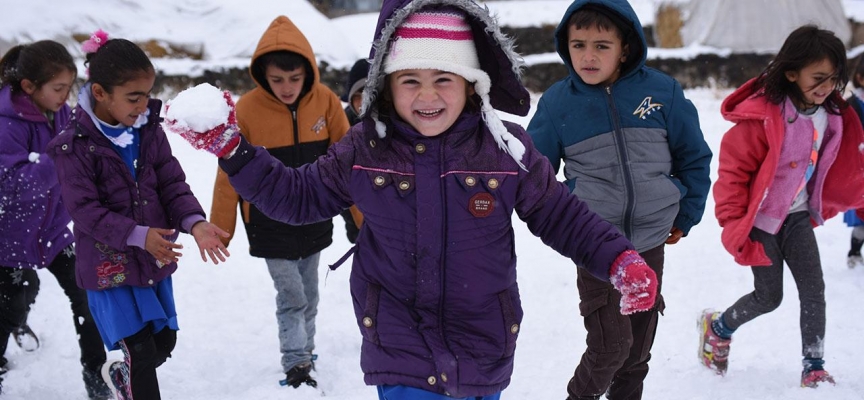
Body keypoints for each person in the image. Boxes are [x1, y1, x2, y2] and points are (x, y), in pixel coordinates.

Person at [167, 1, 659, 398]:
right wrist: (234, 150)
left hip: (483, 338)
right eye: (410, 80)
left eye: (443, 78)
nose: (428, 95)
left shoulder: (504, 148)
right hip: (396, 339)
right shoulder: (364, 148)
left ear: (471, 86)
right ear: (386, 85)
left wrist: (617, 257)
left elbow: (561, 215)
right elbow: (298, 197)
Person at [526, 1, 712, 398]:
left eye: (601, 45)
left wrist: (686, 211)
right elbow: (535, 175)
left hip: (650, 242)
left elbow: (694, 157)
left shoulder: (662, 92)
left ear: (624, 47)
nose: (588, 56)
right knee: (611, 347)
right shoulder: (558, 103)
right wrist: (570, 216)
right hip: (595, 246)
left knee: (637, 353)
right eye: (578, 45)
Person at [45, 31, 230, 400]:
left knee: (164, 341)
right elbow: (84, 211)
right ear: (100, 93)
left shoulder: (148, 131)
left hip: (151, 260)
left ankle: (122, 375)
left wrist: (195, 223)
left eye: (147, 94)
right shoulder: (74, 145)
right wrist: (137, 234)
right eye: (134, 97)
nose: (144, 105)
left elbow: (172, 183)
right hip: (108, 266)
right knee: (141, 353)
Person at [699, 25, 864, 388]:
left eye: (833, 79)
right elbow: (733, 170)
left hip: (797, 216)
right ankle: (719, 326)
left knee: (814, 290)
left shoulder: (832, 116)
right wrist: (731, 221)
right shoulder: (764, 117)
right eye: (818, 78)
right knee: (769, 296)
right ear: (792, 72)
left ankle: (813, 365)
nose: (825, 87)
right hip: (761, 222)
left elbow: (845, 162)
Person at [208, 15, 361, 389]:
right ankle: (296, 363)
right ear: (263, 75)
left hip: (314, 219)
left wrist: (359, 220)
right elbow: (228, 173)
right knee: (291, 294)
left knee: (309, 292)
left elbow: (348, 163)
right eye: (277, 80)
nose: (287, 87)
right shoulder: (246, 109)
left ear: (308, 72)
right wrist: (220, 229)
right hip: (267, 221)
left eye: (294, 79)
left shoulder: (325, 101)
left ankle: (305, 350)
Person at [0, 40, 112, 399]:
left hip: (53, 232)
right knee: (15, 297)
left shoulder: (62, 112)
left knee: (88, 297)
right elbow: (13, 187)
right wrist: (59, 158)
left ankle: (98, 384)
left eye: (69, 87)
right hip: (9, 237)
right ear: (29, 86)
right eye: (59, 88)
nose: (66, 96)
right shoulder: (5, 125)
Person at [339, 58, 371, 243]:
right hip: (356, 216)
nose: (364, 100)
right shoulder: (341, 124)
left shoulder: (397, 124)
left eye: (370, 92)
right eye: (358, 94)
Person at [842, 55, 864, 269]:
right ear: (860, 78)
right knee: (863, 217)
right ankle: (855, 251)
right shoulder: (853, 106)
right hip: (860, 169)